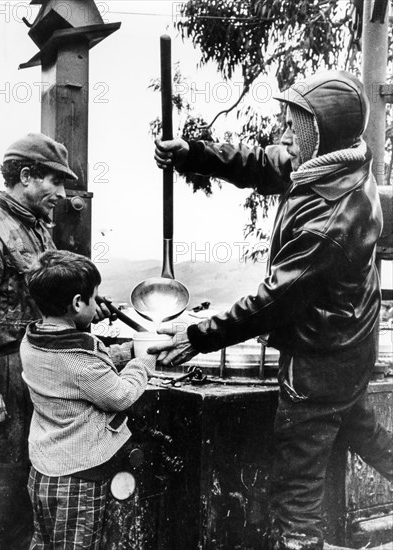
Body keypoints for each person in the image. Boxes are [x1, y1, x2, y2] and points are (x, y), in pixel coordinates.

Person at [152, 70, 393, 550]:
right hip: (347, 346)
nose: (284, 131)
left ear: (320, 130)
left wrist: (198, 336)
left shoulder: (332, 219)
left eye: (294, 123)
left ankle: (300, 542)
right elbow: (263, 163)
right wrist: (195, 155)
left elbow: (272, 302)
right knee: (364, 433)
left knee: (295, 488)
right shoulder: (332, 163)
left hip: (319, 361)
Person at [0, 132, 81, 549]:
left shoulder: (36, 231)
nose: (62, 192)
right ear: (28, 176)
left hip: (32, 370)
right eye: (55, 181)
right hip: (1, 373)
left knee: (24, 494)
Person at [21, 249, 155, 550]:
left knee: (44, 544)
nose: (96, 305)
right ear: (77, 303)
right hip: (79, 479)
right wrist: (141, 363)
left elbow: (75, 373)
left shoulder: (31, 342)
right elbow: (119, 396)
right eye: (93, 298)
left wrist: (120, 353)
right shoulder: (82, 358)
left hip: (43, 472)